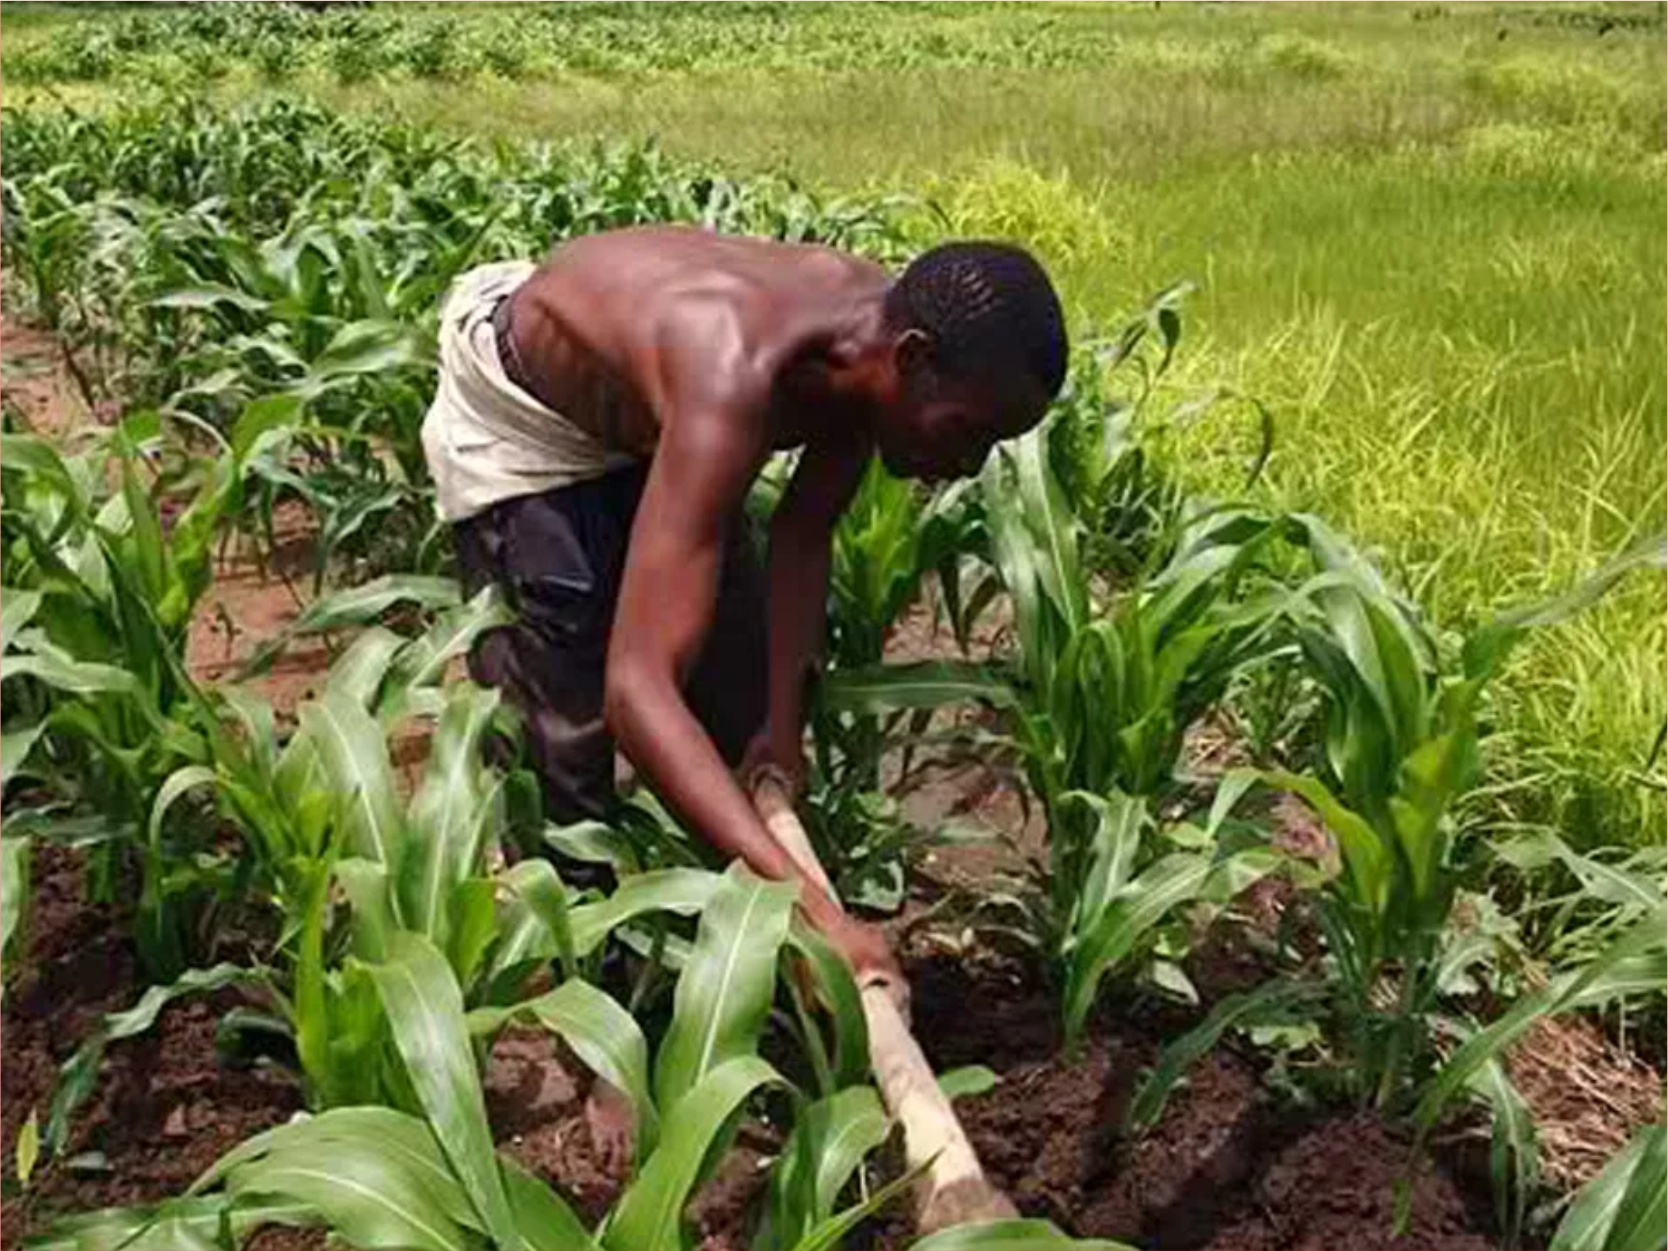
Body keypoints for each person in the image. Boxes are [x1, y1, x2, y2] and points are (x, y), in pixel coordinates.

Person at [421, 226, 1068, 995]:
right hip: (529, 418)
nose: (968, 465)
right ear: (913, 358)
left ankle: (741, 943)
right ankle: (586, 1003)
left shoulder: (867, 350)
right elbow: (638, 693)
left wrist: (780, 726)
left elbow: (804, 531)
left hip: (654, 412)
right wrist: (813, 914)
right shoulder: (736, 371)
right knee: (567, 739)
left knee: (737, 693)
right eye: (967, 431)